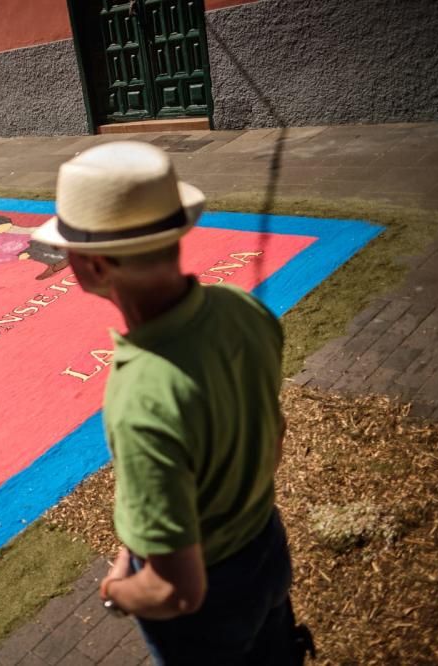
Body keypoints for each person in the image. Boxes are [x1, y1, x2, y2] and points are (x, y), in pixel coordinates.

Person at [32, 142, 314, 665]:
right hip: (266, 549)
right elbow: (271, 438)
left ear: (93, 267)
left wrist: (116, 591)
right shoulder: (244, 312)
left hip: (209, 613)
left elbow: (176, 591)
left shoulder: (139, 397)